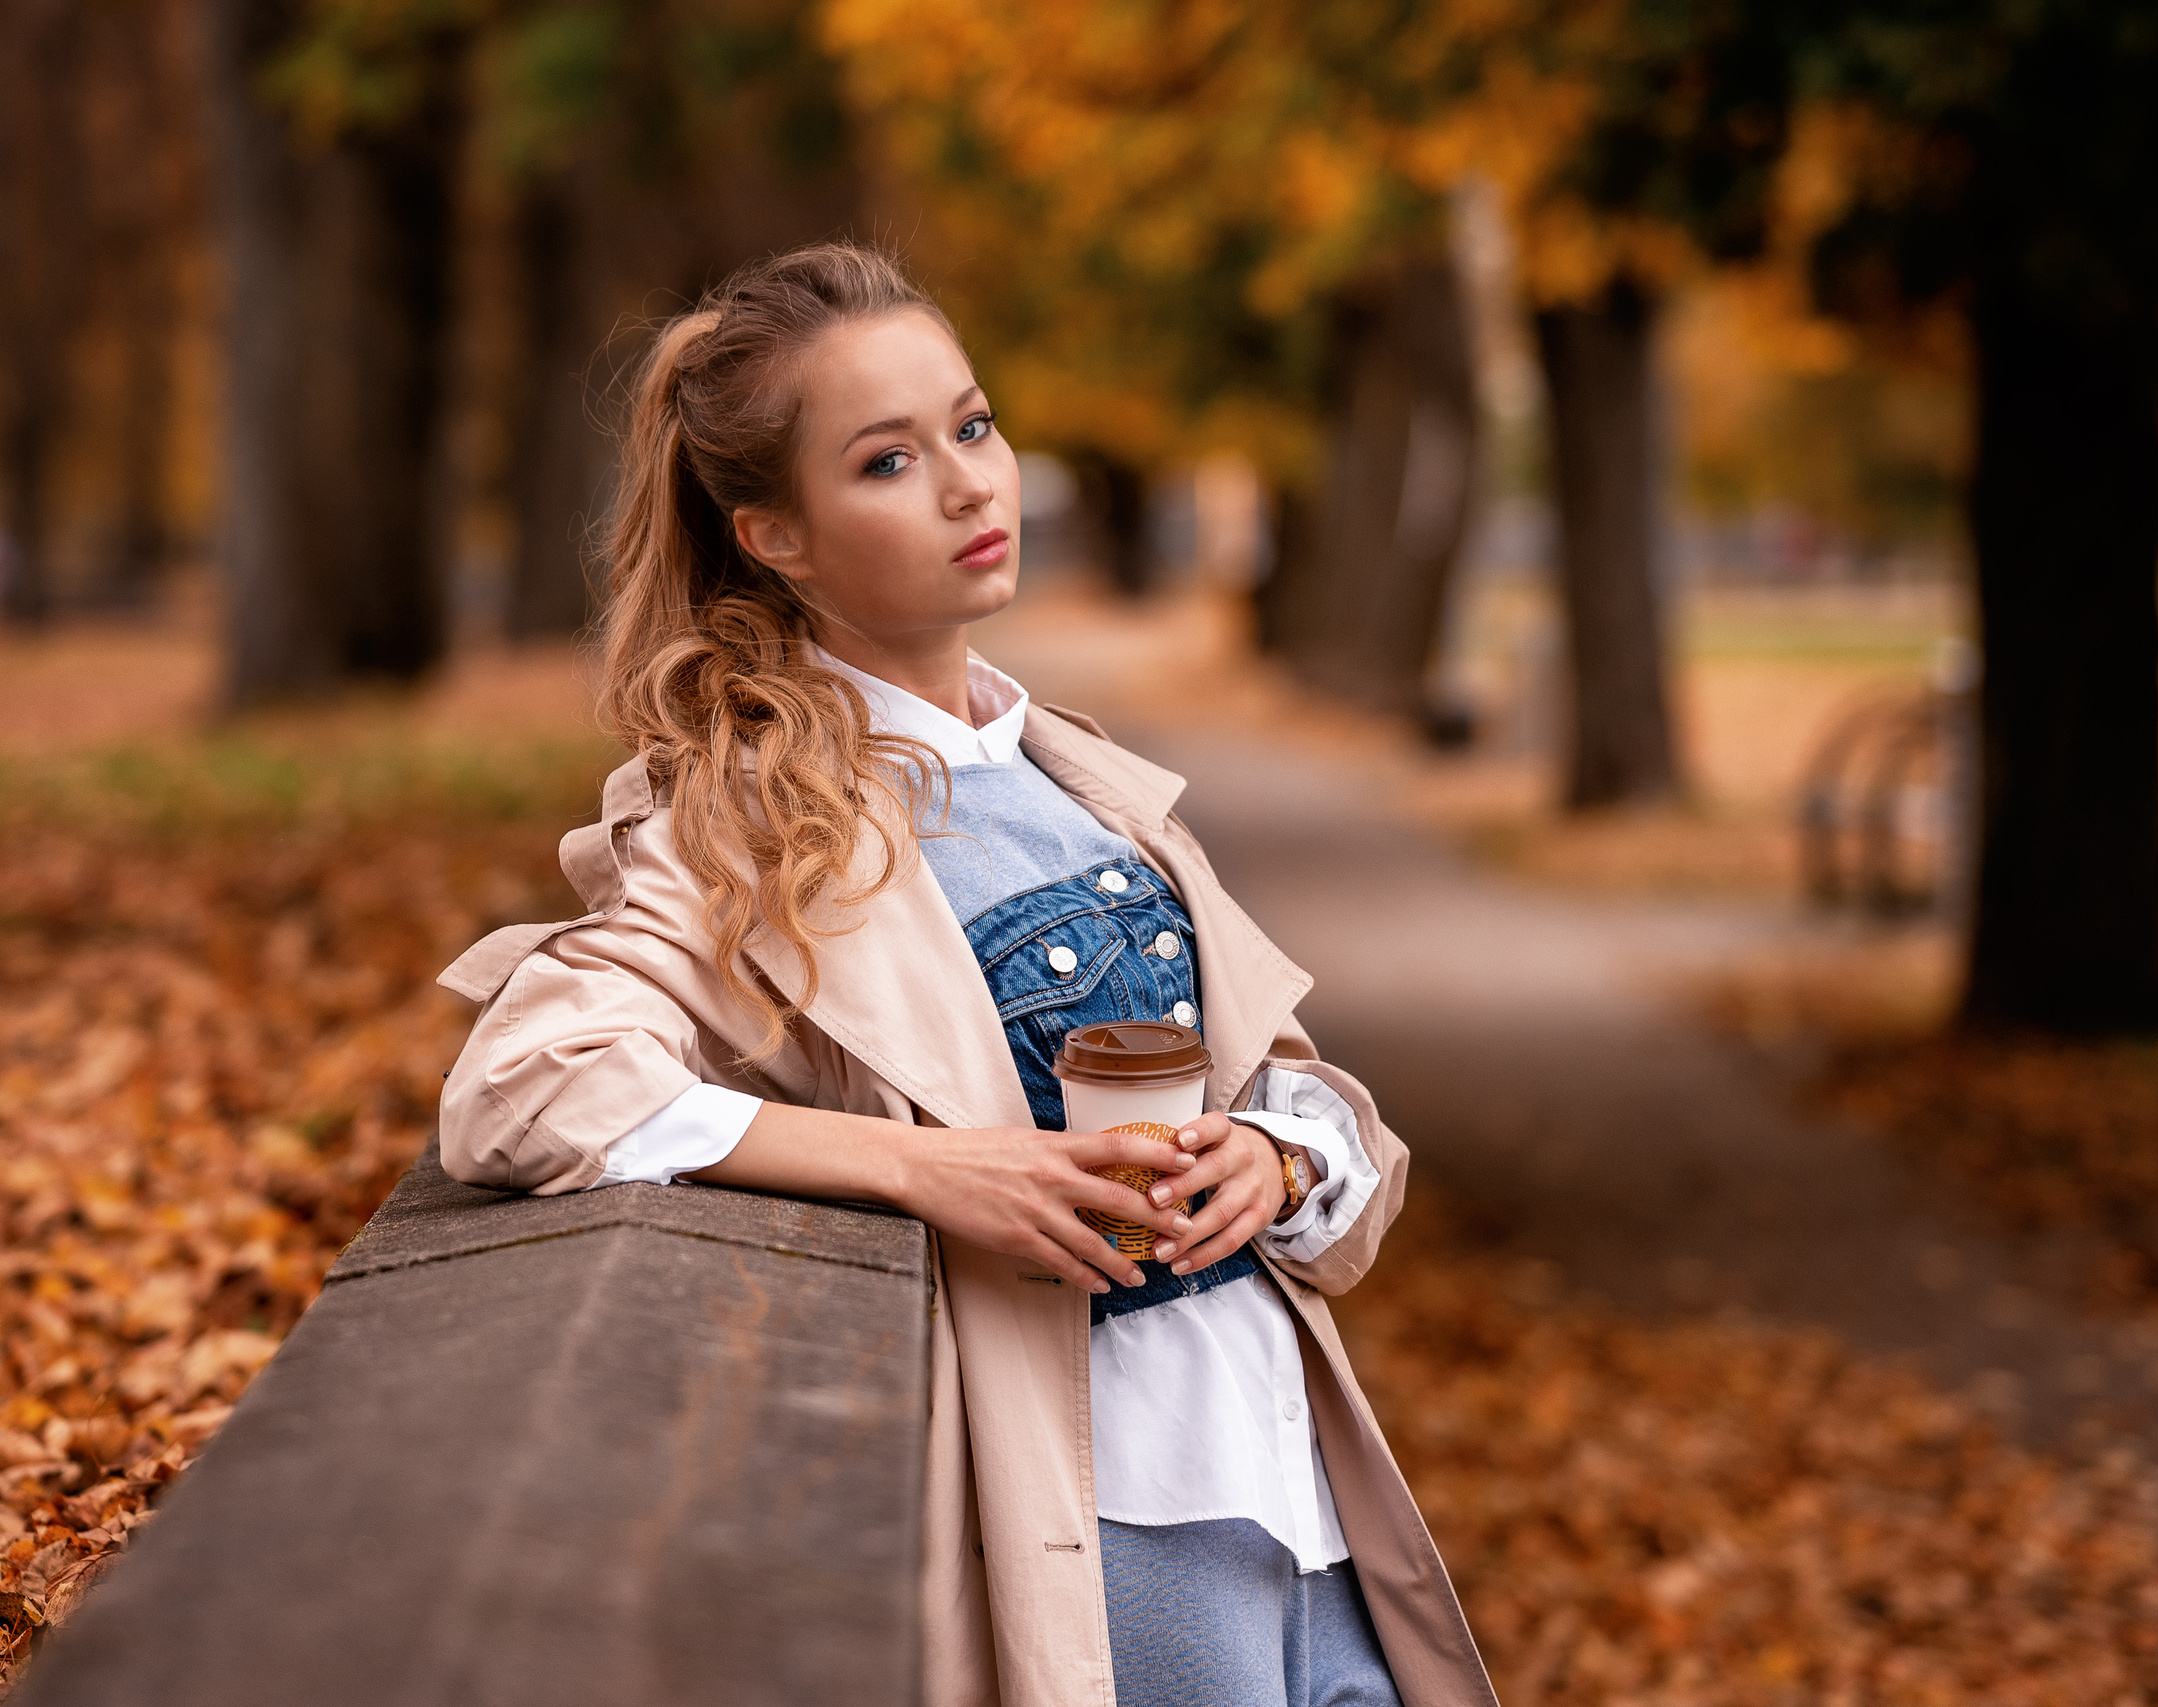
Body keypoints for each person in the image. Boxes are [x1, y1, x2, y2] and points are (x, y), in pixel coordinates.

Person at [435, 242, 1495, 1707]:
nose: (968, 486)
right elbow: (523, 1085)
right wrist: (927, 1170)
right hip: (1114, 1519)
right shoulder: (750, 825)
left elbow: (1303, 1097)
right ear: (775, 535)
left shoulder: (1076, 774)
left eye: (974, 427)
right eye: (887, 461)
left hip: (1302, 1481)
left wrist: (1273, 1153)